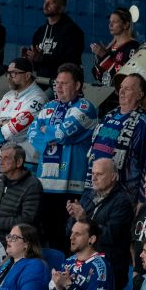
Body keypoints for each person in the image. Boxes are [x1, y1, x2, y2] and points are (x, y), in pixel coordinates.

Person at [30, 64, 99, 244]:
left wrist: (50, 131)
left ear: (77, 85)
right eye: (57, 83)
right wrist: (53, 134)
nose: (58, 87)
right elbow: (33, 135)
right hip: (45, 184)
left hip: (72, 185)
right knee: (45, 236)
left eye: (64, 83)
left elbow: (63, 133)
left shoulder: (86, 107)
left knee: (68, 238)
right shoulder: (49, 106)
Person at [66, 158, 135, 284]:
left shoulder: (123, 201)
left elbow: (111, 236)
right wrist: (74, 217)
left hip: (109, 269)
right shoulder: (88, 195)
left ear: (113, 176)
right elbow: (69, 232)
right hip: (83, 263)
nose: (94, 178)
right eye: (93, 174)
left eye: (99, 174)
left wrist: (83, 219)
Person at [0, 57, 48, 162]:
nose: (9, 77)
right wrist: (2, 122)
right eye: (8, 73)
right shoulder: (9, 95)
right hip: (2, 160)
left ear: (27, 75)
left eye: (14, 73)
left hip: (25, 163)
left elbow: (11, 133)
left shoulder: (38, 99)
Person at [0, 145, 43, 242]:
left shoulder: (32, 185)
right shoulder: (3, 181)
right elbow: (0, 212)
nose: (0, 162)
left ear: (19, 162)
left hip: (18, 245)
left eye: (6, 158)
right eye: (0, 158)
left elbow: (27, 220)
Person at [25, 0, 84, 77]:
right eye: (45, 1)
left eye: (51, 3)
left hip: (64, 83)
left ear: (61, 8)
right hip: (42, 82)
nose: (45, 5)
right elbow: (36, 66)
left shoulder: (73, 31)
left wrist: (42, 58)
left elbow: (71, 62)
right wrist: (31, 59)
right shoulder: (40, 32)